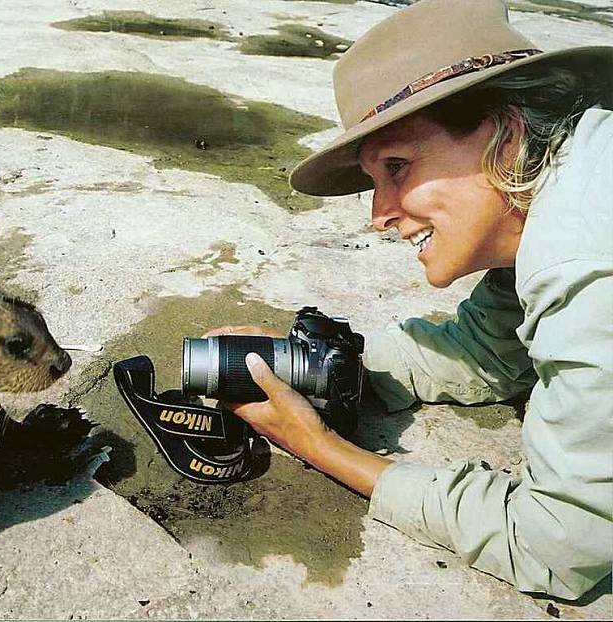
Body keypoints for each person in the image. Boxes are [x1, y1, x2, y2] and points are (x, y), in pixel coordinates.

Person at [205, 0, 613, 600]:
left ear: (508, 133)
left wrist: (320, 446)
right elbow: (489, 352)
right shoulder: (565, 178)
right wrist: (313, 365)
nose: (378, 215)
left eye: (397, 167)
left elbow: (553, 545)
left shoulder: (588, 261)